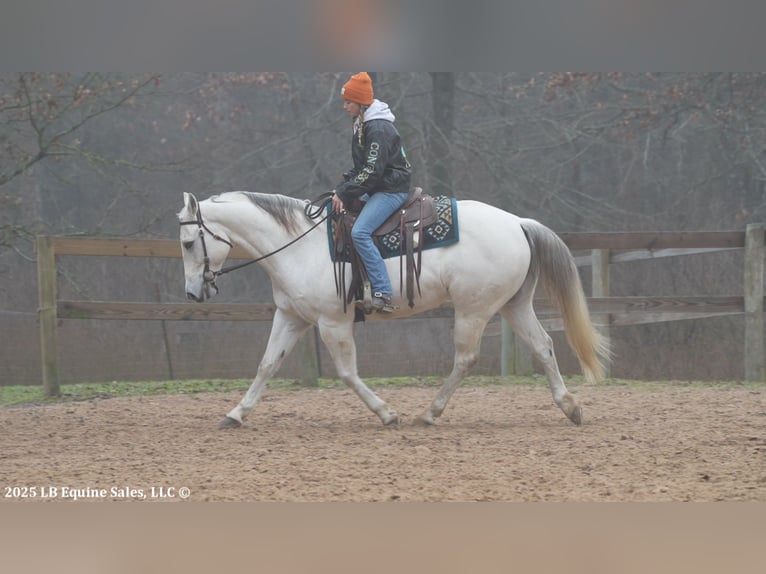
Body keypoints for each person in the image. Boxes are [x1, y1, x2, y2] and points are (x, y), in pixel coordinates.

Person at [331, 72, 411, 313]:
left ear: (361, 103)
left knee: (360, 232)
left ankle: (383, 292)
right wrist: (342, 189)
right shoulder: (364, 124)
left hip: (391, 190)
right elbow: (362, 168)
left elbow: (372, 171)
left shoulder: (377, 128)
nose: (345, 107)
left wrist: (345, 192)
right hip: (379, 186)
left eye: (348, 102)